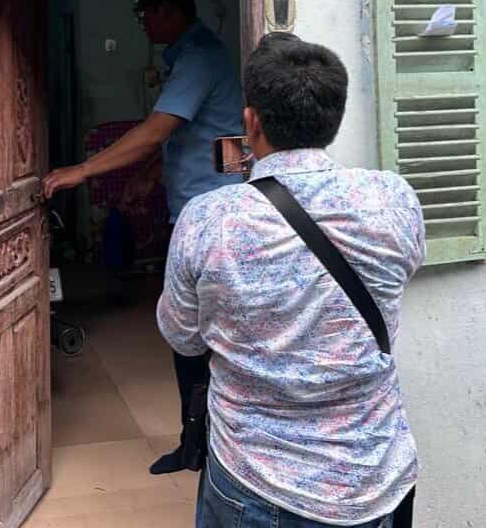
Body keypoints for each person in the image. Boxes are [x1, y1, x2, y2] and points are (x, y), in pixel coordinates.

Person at [158, 34, 425, 527]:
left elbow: (183, 336)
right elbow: (403, 272)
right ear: (334, 117)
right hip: (374, 475)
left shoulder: (208, 218)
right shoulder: (393, 200)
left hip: (254, 479)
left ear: (250, 122)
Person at [43, 0, 243, 474]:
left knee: (193, 334)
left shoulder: (198, 57)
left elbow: (155, 131)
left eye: (144, 15)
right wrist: (147, 176)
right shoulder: (191, 56)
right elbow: (189, 137)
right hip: (203, 210)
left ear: (168, 10)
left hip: (210, 219)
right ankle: (198, 441)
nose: (143, 25)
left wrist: (82, 171)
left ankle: (202, 445)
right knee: (193, 332)